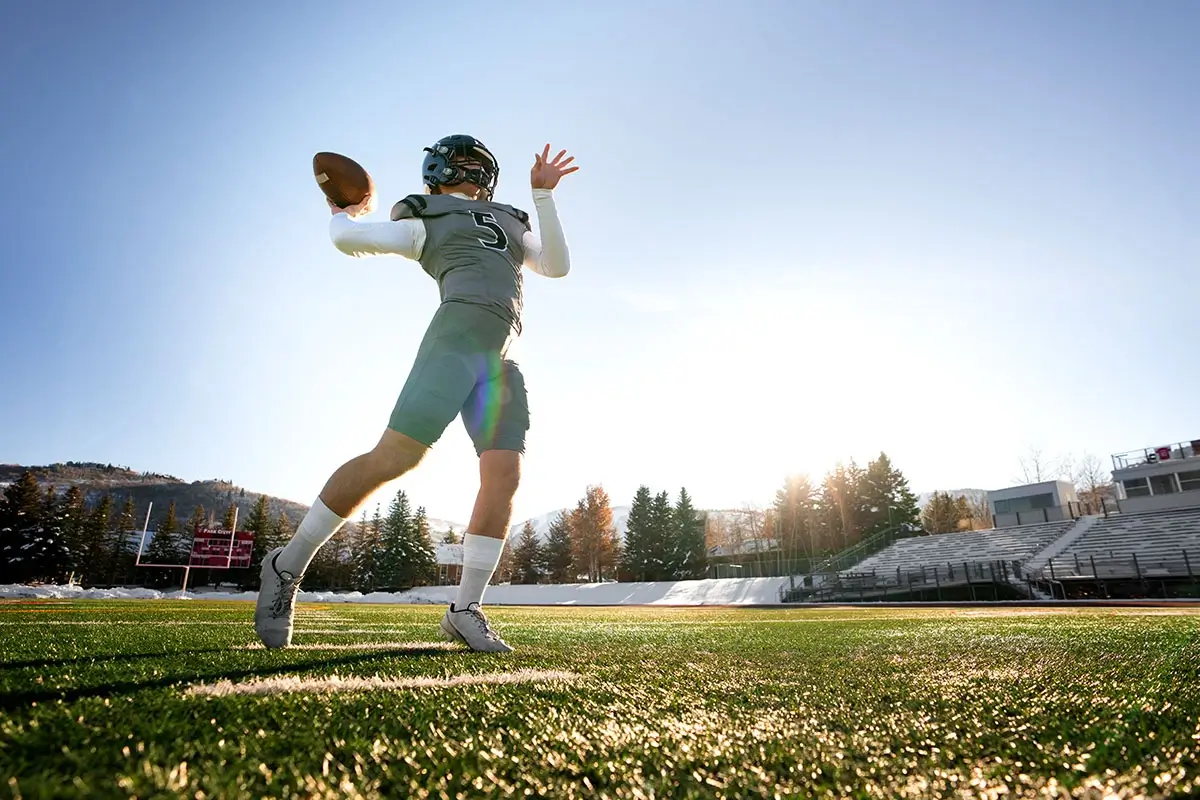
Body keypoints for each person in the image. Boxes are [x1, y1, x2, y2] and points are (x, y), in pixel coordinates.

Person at [254, 135, 577, 653]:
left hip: (500, 356)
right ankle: (286, 564)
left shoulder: (512, 218)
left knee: (504, 474)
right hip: (456, 339)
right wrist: (345, 209)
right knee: (395, 457)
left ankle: (465, 609)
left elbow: (557, 266)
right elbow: (348, 241)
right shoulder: (426, 218)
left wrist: (543, 197)